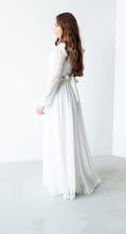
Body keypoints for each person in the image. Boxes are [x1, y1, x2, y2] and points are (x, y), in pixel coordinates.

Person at [36, 12, 102, 200]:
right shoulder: (71, 49)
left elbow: (55, 79)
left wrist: (42, 102)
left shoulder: (60, 50)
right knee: (67, 135)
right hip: (69, 96)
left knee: (60, 135)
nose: (54, 29)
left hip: (60, 97)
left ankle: (63, 180)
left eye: (57, 25)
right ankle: (71, 176)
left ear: (65, 28)